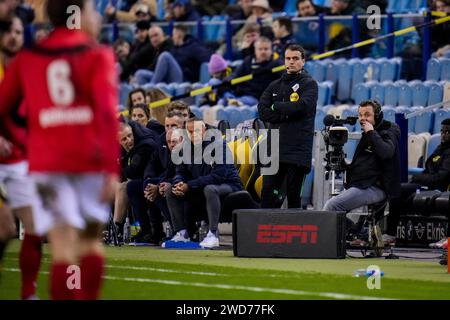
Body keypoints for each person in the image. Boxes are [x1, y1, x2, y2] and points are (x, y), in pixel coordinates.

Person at [0, 0, 120, 300]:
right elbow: (106, 114)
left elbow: (2, 108)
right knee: (90, 242)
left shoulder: (28, 57)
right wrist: (111, 167)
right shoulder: (97, 54)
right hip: (88, 159)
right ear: (79, 14)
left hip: (47, 162)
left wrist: (24, 140)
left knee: (63, 246)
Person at [0, 14, 43, 300]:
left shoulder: (28, 69)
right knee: (4, 227)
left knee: (35, 225)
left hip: (17, 160)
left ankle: (29, 293)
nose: (14, 36)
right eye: (7, 31)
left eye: (18, 31)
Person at [323, 100, 401, 239]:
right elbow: (365, 164)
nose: (363, 119)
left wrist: (371, 132)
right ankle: (358, 232)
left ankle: (355, 233)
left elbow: (386, 152)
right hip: (362, 185)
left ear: (377, 115)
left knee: (331, 207)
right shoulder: (368, 133)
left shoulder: (388, 130)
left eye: (367, 115)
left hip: (376, 187)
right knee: (333, 209)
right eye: (360, 115)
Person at [164, 118, 243, 248]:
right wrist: (179, 183)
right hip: (201, 186)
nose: (193, 134)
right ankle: (182, 233)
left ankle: (213, 234)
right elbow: (180, 171)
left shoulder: (218, 145)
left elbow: (219, 175)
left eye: (196, 131)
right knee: (170, 190)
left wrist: (189, 185)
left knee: (210, 189)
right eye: (189, 131)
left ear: (204, 131)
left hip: (229, 185)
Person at [258, 44, 318, 208]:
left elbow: (302, 107)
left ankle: (294, 233)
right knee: (268, 196)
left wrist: (276, 106)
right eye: (288, 58)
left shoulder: (309, 84)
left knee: (293, 199)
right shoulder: (274, 86)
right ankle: (266, 232)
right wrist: (288, 112)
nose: (291, 62)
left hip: (297, 151)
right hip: (274, 150)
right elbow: (262, 112)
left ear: (303, 61)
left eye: (295, 58)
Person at [386, 118, 450, 247]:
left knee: (400, 190)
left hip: (438, 188)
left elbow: (440, 178)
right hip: (427, 184)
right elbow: (429, 171)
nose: (444, 135)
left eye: (448, 132)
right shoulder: (440, 148)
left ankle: (391, 233)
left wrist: (417, 178)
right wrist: (419, 178)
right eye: (442, 131)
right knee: (396, 190)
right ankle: (391, 234)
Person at [229, 37, 282, 106]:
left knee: (239, 103)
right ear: (255, 50)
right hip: (239, 93)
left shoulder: (276, 64)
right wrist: (227, 81)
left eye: (266, 49)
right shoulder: (248, 60)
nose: (263, 51)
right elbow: (235, 75)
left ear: (271, 50)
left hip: (255, 98)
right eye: (260, 49)